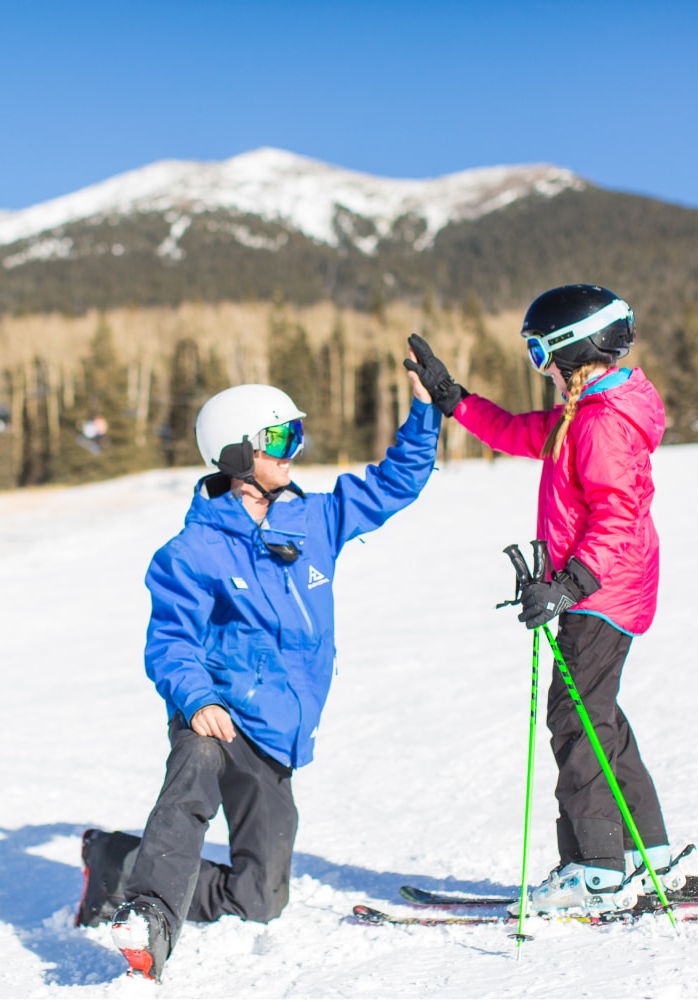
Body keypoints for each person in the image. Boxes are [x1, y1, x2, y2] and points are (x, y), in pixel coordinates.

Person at [77, 372, 440, 980]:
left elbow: (395, 483)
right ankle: (149, 918)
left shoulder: (315, 521)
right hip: (218, 714)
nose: (294, 448)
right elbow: (170, 642)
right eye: (280, 437)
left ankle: (116, 862)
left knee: (261, 899)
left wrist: (426, 411)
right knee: (191, 777)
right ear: (238, 452)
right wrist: (195, 701)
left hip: (276, 733)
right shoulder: (191, 551)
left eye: (296, 433)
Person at [404, 283, 694, 914]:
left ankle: (596, 866)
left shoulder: (600, 423)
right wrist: (455, 402)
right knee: (598, 717)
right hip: (611, 589)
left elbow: (618, 513)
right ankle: (649, 853)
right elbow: (514, 431)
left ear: (571, 348)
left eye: (540, 351)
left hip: (601, 594)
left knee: (577, 719)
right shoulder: (585, 411)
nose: (539, 366)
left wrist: (569, 586)